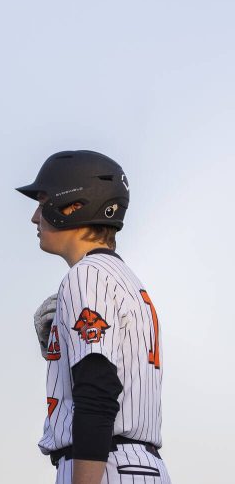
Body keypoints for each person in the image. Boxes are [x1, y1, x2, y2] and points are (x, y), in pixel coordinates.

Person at [18, 151, 171, 484]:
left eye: (43, 201)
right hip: (132, 464)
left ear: (73, 206)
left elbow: (98, 389)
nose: (34, 216)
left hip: (104, 465)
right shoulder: (125, 279)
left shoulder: (86, 276)